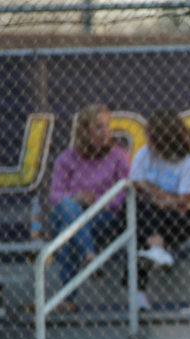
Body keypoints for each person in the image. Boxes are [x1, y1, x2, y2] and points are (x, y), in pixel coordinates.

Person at [46, 103, 131, 313]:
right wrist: (76, 198)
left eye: (107, 126)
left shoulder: (118, 157)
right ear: (84, 131)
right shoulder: (67, 158)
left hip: (102, 218)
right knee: (67, 207)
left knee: (69, 231)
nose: (105, 132)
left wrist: (96, 202)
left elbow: (124, 196)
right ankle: (90, 255)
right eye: (98, 127)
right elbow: (54, 194)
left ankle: (68, 299)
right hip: (70, 213)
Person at [128, 110, 190, 311]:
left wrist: (152, 193)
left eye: (150, 136)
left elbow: (184, 203)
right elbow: (134, 186)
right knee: (136, 209)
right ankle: (156, 248)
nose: (147, 140)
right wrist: (163, 198)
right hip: (152, 213)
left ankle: (138, 293)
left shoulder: (187, 161)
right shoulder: (143, 154)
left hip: (183, 220)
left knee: (140, 226)